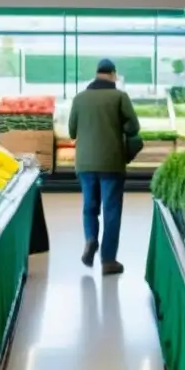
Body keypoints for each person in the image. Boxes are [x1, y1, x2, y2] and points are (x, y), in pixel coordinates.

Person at [68, 58, 140, 275]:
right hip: (112, 161)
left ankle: (91, 239)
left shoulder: (79, 98)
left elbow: (72, 132)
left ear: (97, 73)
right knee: (111, 209)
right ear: (113, 74)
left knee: (89, 206)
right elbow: (133, 127)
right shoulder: (119, 96)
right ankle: (108, 260)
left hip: (85, 163)